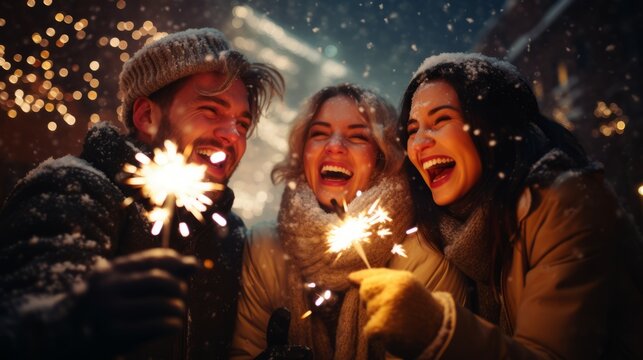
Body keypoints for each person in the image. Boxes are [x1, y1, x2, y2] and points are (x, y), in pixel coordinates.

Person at [0, 28, 284, 359]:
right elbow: (17, 317)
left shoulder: (230, 236)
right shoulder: (76, 191)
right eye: (211, 111)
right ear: (147, 117)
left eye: (242, 124)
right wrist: (61, 328)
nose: (231, 135)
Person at [349, 53, 643, 359]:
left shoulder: (565, 202)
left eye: (441, 120)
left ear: (492, 127)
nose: (420, 143)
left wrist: (439, 331)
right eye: (412, 130)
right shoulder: (443, 231)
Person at [230, 83, 468, 360]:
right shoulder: (264, 248)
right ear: (302, 151)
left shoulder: (421, 257)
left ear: (382, 157)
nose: (334, 146)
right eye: (319, 134)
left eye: (357, 137)